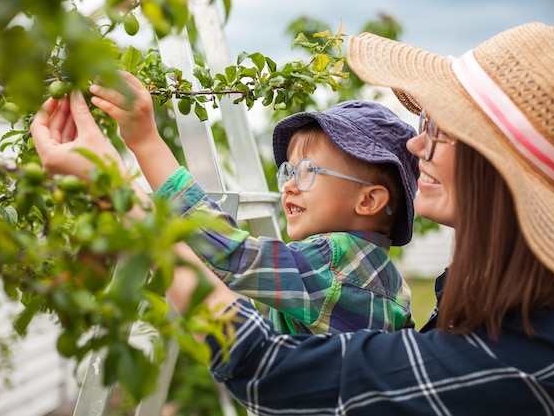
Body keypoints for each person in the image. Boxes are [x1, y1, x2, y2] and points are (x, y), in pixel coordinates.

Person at [30, 22, 554, 415]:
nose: (419, 144)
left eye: (441, 129)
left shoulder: (532, 358)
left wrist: (123, 184)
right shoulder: (493, 304)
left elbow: (260, 356)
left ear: (492, 168)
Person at [87, 72, 419, 335]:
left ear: (369, 200)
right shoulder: (392, 282)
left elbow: (232, 255)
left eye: (307, 171)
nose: (289, 185)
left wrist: (145, 142)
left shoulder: (332, 263)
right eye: (288, 171)